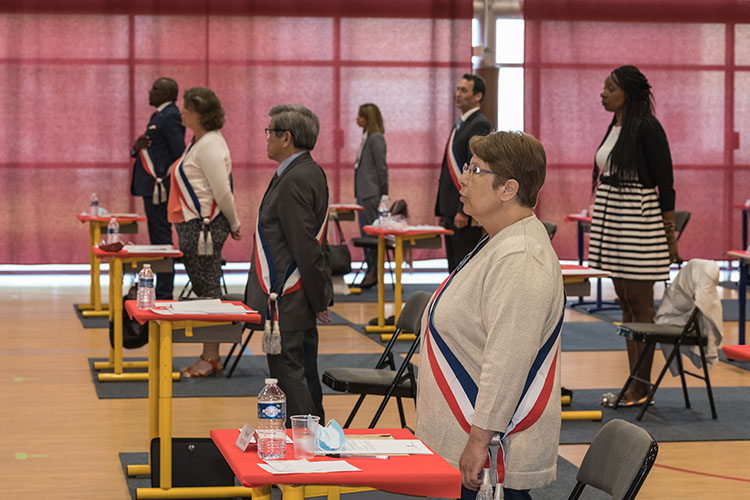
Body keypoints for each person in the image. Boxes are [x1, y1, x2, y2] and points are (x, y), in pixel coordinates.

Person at [417, 131, 565, 500]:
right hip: (469, 436)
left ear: (508, 189)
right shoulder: (498, 241)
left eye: (475, 170)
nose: (463, 178)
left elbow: (508, 359)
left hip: (492, 452)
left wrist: (479, 440)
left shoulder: (521, 257)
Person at [590, 66, 677, 407]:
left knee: (640, 305)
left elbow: (665, 183)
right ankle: (635, 385)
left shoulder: (647, 127)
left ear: (628, 93)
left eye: (610, 88)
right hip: (613, 216)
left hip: (638, 219)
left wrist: (670, 235)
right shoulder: (616, 126)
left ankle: (641, 387)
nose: (603, 93)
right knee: (625, 302)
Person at [244, 104, 333, 421]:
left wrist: (319, 298)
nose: (266, 138)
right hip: (294, 295)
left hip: (287, 295)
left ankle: (304, 443)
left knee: (290, 378)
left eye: (270, 132)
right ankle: (314, 438)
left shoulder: (296, 178)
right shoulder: (304, 171)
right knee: (301, 375)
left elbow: (305, 246)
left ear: (287, 137)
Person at [167, 87, 242, 377]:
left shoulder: (210, 144)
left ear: (199, 114)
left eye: (186, 108)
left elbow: (222, 192)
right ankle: (208, 354)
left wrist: (234, 224)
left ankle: (211, 357)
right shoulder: (198, 142)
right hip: (194, 226)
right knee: (204, 288)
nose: (181, 112)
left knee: (208, 290)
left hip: (205, 228)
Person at [130, 77, 185, 300]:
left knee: (161, 239)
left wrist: (162, 176)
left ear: (166, 94)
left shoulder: (171, 116)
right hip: (152, 188)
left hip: (159, 188)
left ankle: (163, 293)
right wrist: (136, 146)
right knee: (157, 238)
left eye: (155, 89)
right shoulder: (159, 115)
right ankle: (161, 290)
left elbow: (179, 152)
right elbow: (149, 147)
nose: (149, 92)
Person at [435, 73, 492, 272]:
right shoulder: (460, 124)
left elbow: (475, 170)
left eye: (464, 90)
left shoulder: (480, 124)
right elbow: (447, 168)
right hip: (451, 206)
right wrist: (442, 208)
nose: (458, 94)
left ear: (478, 96)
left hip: (463, 208)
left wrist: (462, 210)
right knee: (453, 268)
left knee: (465, 268)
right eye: (457, 89)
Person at [353, 103, 388, 288]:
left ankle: (374, 271)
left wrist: (384, 193)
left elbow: (382, 167)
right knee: (366, 233)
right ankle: (371, 269)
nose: (357, 119)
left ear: (368, 118)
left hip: (371, 193)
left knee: (371, 236)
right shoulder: (367, 137)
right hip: (364, 192)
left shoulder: (376, 138)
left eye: (360, 116)